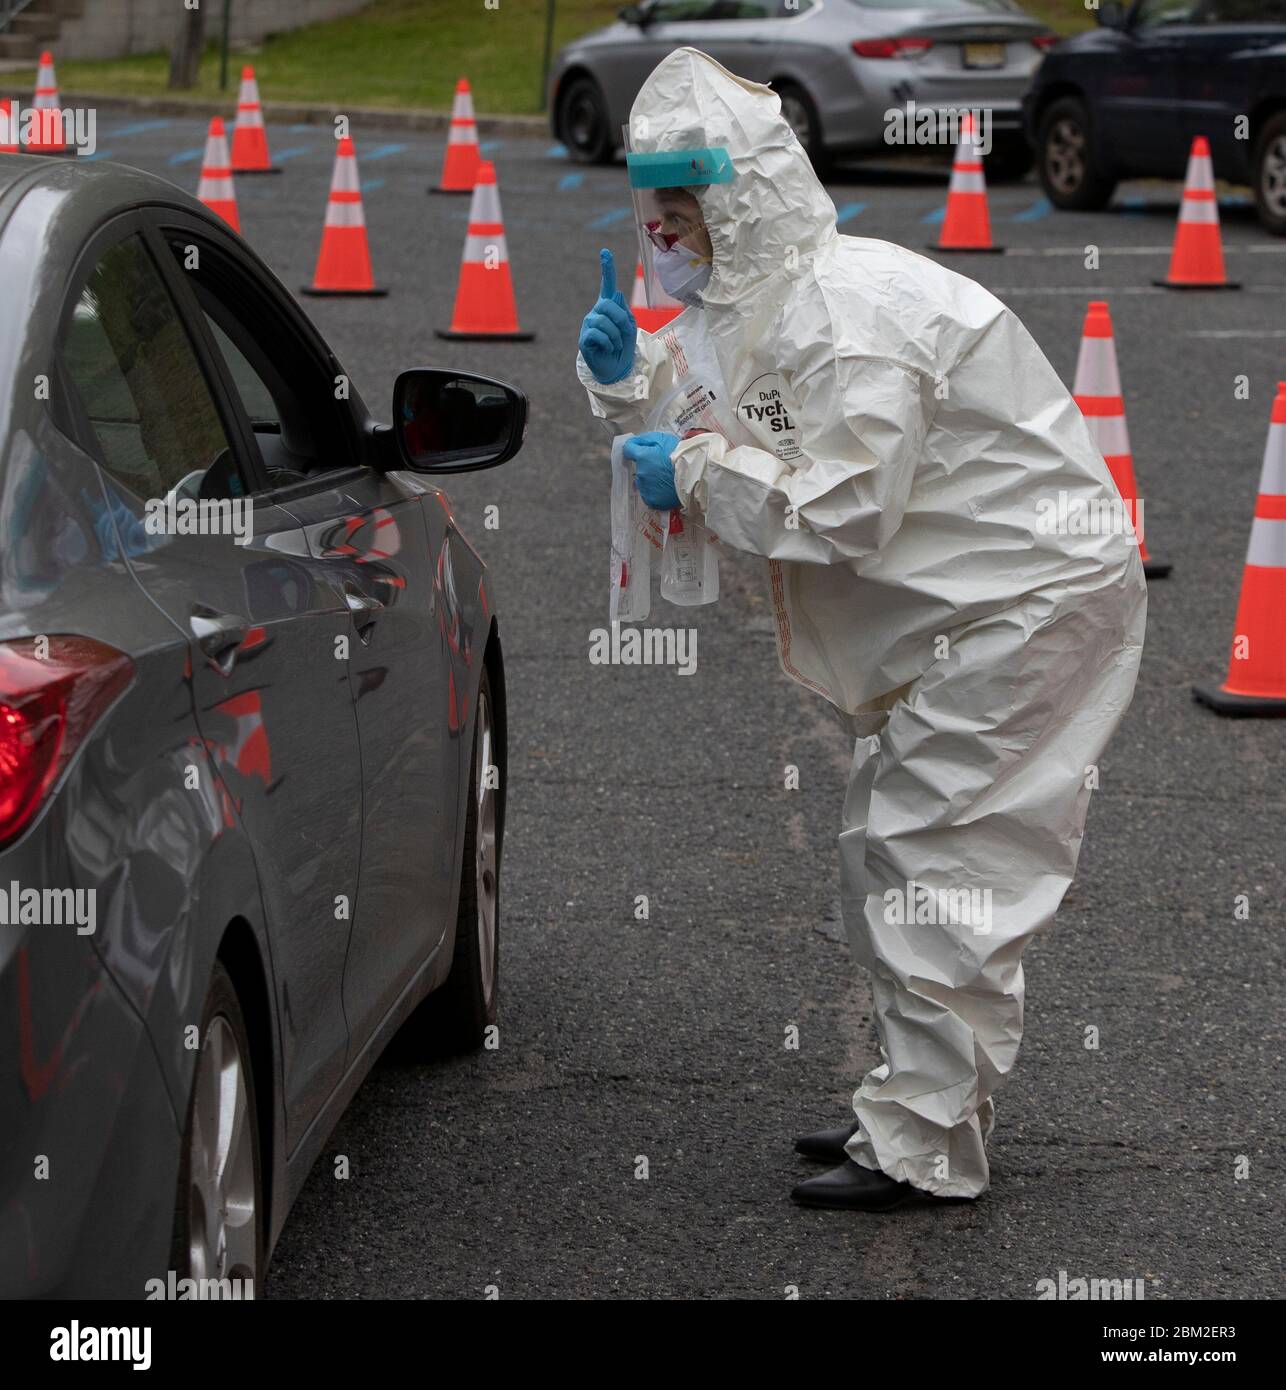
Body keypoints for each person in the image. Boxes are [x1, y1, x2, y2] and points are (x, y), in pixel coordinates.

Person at [576, 48, 1146, 1210]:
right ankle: (908, 1105)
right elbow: (705, 419)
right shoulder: (758, 306)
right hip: (957, 610)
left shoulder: (846, 315)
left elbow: (837, 506)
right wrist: (630, 380)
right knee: (886, 856)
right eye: (657, 209)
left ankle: (926, 1143)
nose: (667, 232)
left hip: (1017, 606)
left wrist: (684, 468)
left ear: (743, 199)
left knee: (938, 866)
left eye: (686, 206)